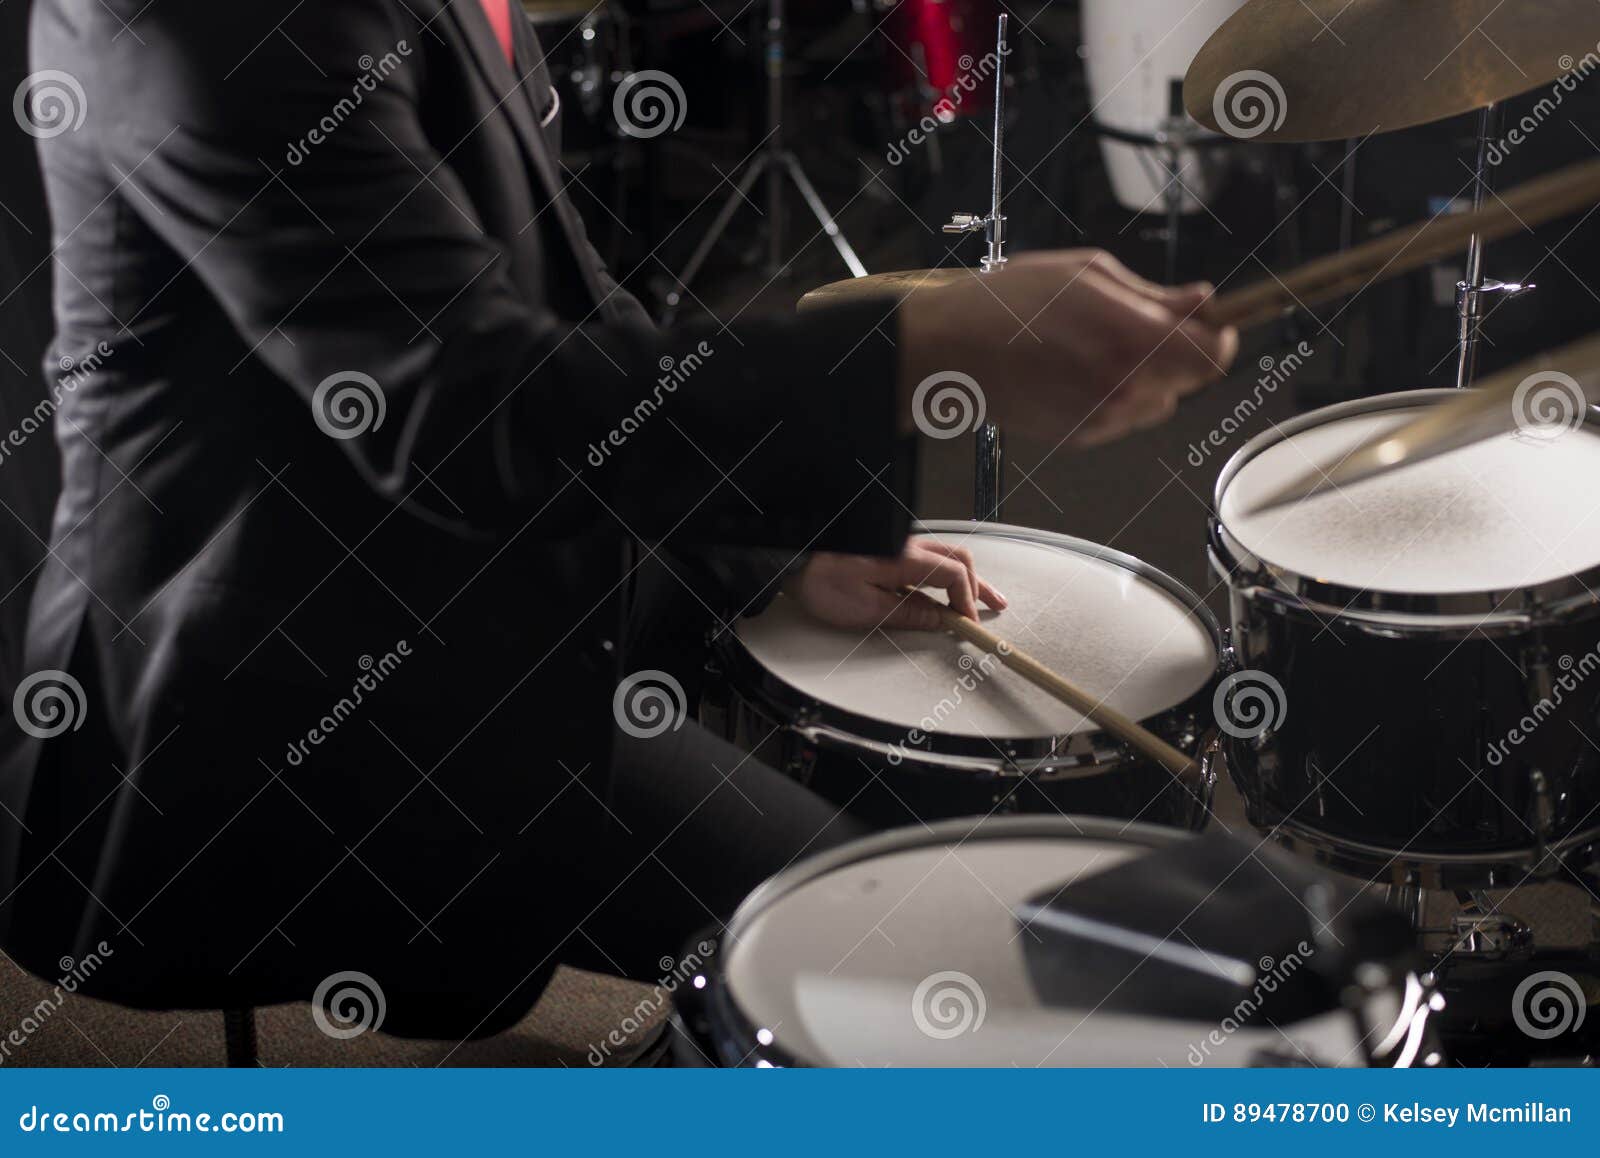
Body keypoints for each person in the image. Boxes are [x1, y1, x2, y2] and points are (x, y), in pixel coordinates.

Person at [0, 0, 1236, 1041]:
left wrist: (769, 553)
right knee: (903, 958)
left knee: (953, 846)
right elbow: (465, 407)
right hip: (292, 691)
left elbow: (565, 320)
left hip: (503, 569)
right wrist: (914, 347)